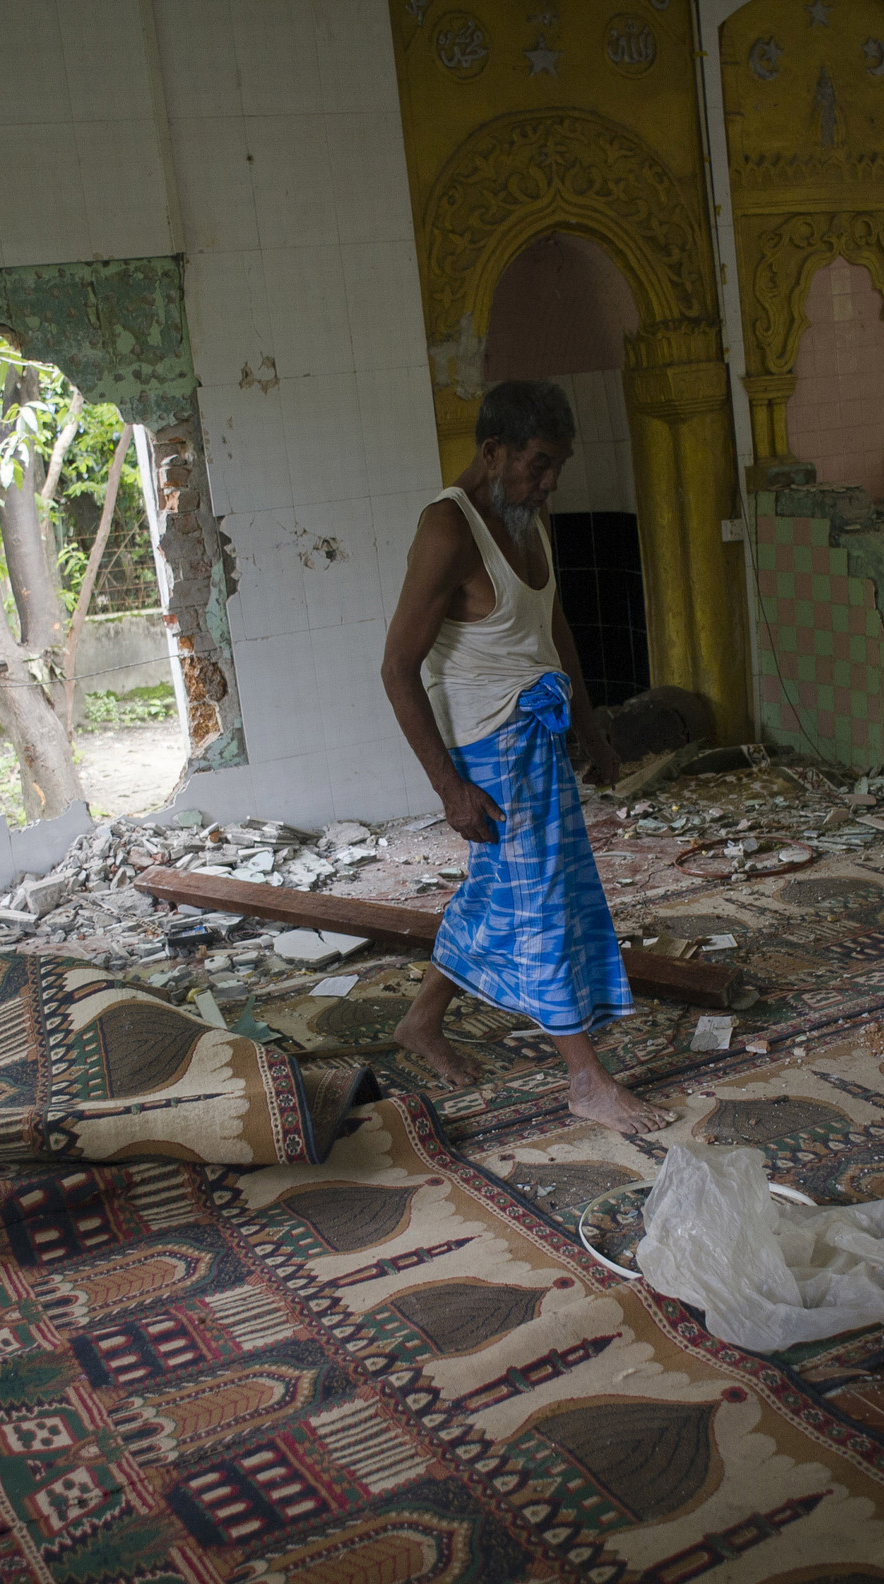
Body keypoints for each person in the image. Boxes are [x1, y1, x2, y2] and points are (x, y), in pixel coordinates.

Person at [378, 379, 674, 1135]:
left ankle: (419, 1021)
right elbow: (396, 668)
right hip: (491, 750)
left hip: (537, 740)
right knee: (541, 906)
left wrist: (594, 729)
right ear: (492, 451)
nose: (549, 483)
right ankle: (585, 1078)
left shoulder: (526, 519)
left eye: (557, 467)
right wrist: (449, 788)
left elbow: (553, 627)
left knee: (505, 896)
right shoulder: (449, 529)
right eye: (538, 465)